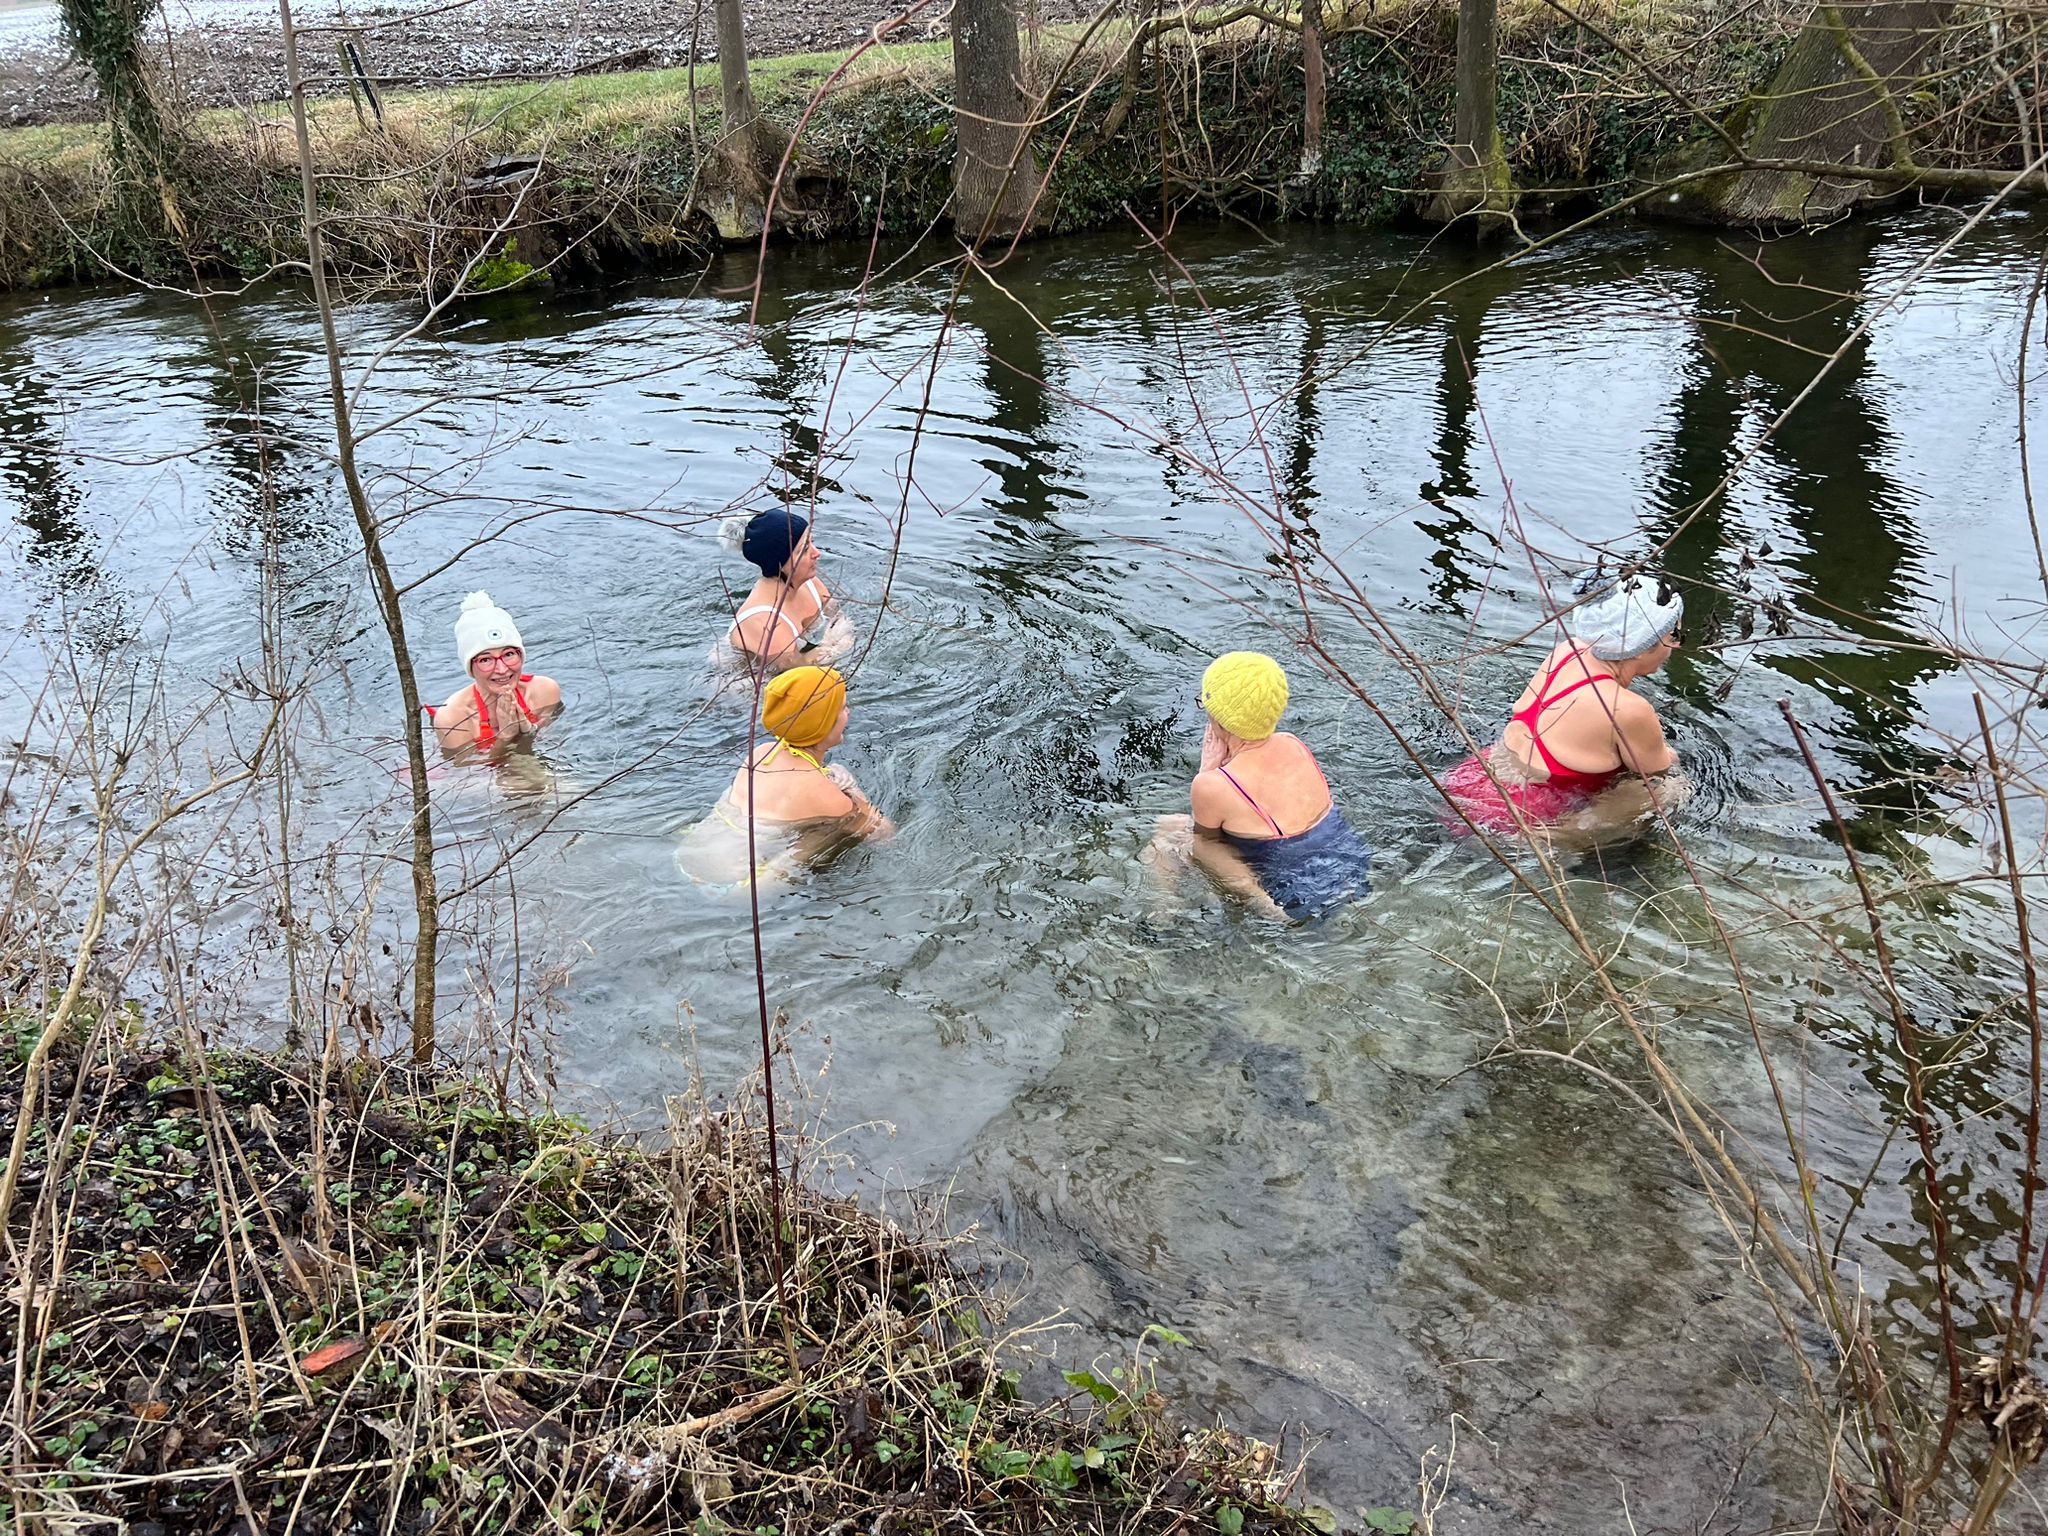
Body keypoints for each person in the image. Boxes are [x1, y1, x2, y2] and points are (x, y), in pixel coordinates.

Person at [1442, 574, 1687, 838]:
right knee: (1671, 788)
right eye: (1673, 636)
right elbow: (1658, 769)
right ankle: (1561, 843)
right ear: (1640, 647)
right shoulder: (1629, 709)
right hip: (1519, 818)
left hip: (1470, 779)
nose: (1675, 646)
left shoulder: (1567, 651)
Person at [1148, 651, 1371, 921]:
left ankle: (1163, 914)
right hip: (1350, 870)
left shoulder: (1213, 785)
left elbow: (1203, 838)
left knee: (1169, 834)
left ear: (1217, 717)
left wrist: (1206, 773)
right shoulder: (1293, 743)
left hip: (1293, 896)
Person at [675, 665, 892, 889]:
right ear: (822, 724)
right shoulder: (822, 793)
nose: (849, 713)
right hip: (737, 886)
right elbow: (883, 833)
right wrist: (853, 789)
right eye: (843, 708)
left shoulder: (760, 755)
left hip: (689, 855)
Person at [429, 592, 562, 757]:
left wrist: (528, 731)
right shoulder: (452, 718)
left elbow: (553, 744)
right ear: (470, 666)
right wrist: (506, 737)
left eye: (508, 654)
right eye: (485, 660)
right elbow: (469, 777)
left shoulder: (544, 690)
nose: (502, 669)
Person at [726, 510, 844, 669]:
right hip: (746, 676)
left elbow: (836, 614)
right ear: (779, 562)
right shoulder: (766, 623)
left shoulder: (812, 584)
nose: (817, 553)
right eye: (804, 549)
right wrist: (834, 644)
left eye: (812, 542)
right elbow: (795, 668)